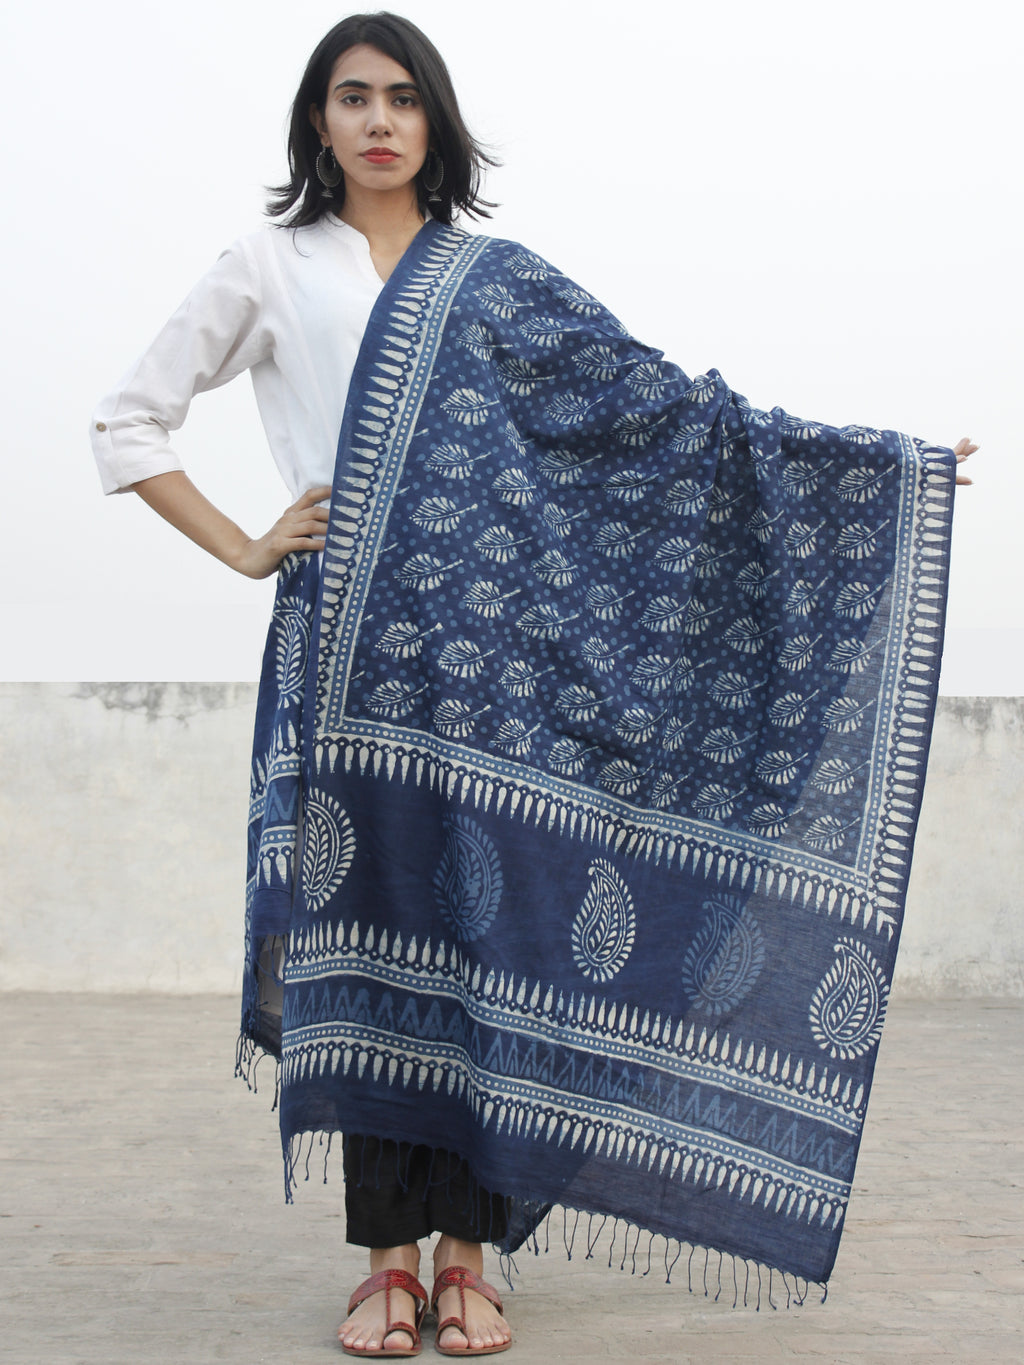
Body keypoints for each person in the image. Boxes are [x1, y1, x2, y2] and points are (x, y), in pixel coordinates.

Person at [91, 12, 975, 1359]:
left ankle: (471, 1256)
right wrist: (247, 544)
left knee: (489, 947)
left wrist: (872, 469)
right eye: (353, 97)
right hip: (352, 661)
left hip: (499, 669)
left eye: (404, 99)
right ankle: (385, 1264)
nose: (379, 121)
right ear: (317, 120)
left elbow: (661, 412)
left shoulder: (493, 277)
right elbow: (128, 420)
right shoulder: (270, 265)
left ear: (436, 121)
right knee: (373, 944)